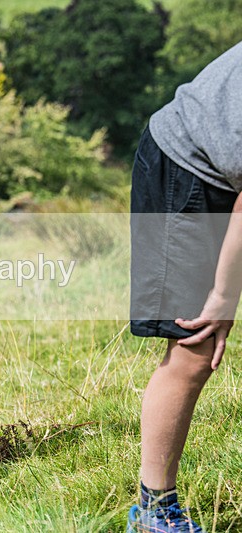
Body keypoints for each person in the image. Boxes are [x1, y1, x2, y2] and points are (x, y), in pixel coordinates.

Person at [127, 42, 242, 532]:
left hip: (222, 163)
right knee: (196, 342)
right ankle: (154, 511)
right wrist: (223, 297)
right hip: (187, 168)